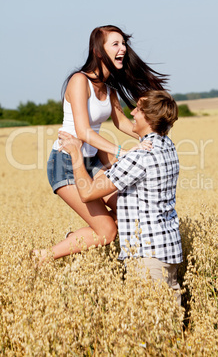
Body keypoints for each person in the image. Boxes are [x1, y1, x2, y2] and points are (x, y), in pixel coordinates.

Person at [53, 90, 182, 304]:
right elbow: (124, 172)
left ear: (148, 119)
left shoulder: (141, 155)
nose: (133, 112)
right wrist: (96, 145)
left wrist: (77, 153)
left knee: (146, 332)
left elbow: (87, 193)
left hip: (147, 257)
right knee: (170, 328)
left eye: (139, 110)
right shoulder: (168, 146)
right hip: (168, 249)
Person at [47, 25, 168, 250]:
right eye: (116, 44)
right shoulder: (79, 81)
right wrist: (121, 152)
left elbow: (121, 121)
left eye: (123, 43)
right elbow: (83, 132)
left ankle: (76, 239)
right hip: (65, 163)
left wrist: (153, 136)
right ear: (98, 51)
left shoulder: (109, 87)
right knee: (107, 231)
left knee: (130, 211)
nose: (123, 48)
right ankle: (42, 257)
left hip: (92, 163)